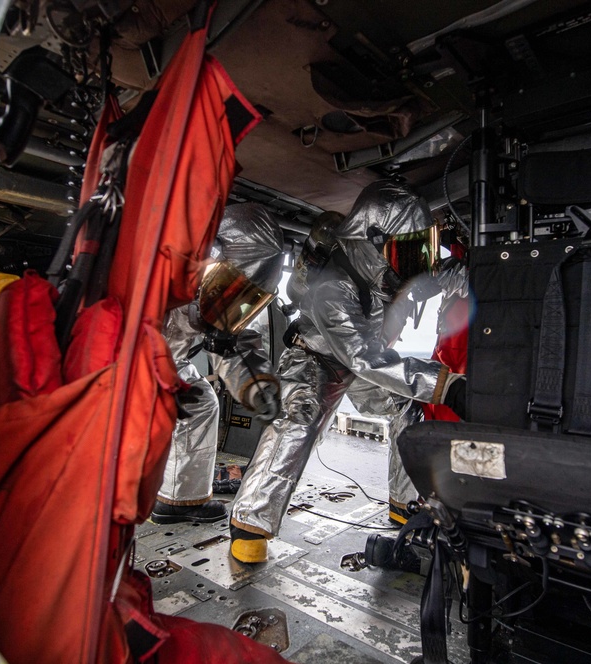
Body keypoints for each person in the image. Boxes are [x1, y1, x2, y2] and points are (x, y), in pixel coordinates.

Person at [228, 179, 466, 563]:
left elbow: (437, 275)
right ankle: (249, 523)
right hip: (315, 361)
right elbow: (361, 357)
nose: (411, 262)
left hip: (363, 366)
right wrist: (444, 385)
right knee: (298, 421)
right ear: (371, 240)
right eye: (404, 252)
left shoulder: (386, 272)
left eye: (415, 251)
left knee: (408, 408)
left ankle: (406, 502)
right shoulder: (332, 288)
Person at [151, 203, 285, 524]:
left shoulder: (220, 293)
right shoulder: (160, 267)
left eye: (243, 294)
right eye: (230, 287)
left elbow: (235, 344)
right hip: (124, 358)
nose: (232, 300)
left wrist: (256, 388)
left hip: (169, 363)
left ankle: (179, 501)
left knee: (200, 402)